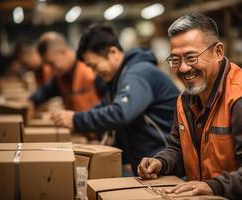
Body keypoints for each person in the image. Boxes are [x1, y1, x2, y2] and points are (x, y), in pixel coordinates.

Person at [137, 13, 242, 200]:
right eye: (175, 59)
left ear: (218, 52)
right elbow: (179, 149)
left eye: (191, 57)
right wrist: (162, 162)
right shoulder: (186, 99)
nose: (183, 68)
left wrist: (214, 187)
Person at [50, 24, 179, 174]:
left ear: (113, 52)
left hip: (166, 166)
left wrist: (76, 120)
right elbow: (105, 108)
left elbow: (120, 113)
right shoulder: (118, 79)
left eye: (94, 65)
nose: (94, 72)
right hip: (148, 167)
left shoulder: (138, 74)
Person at [30, 32, 103, 112]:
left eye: (52, 64)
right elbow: (43, 93)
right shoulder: (61, 77)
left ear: (62, 52)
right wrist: (29, 102)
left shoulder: (92, 71)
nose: (51, 70)